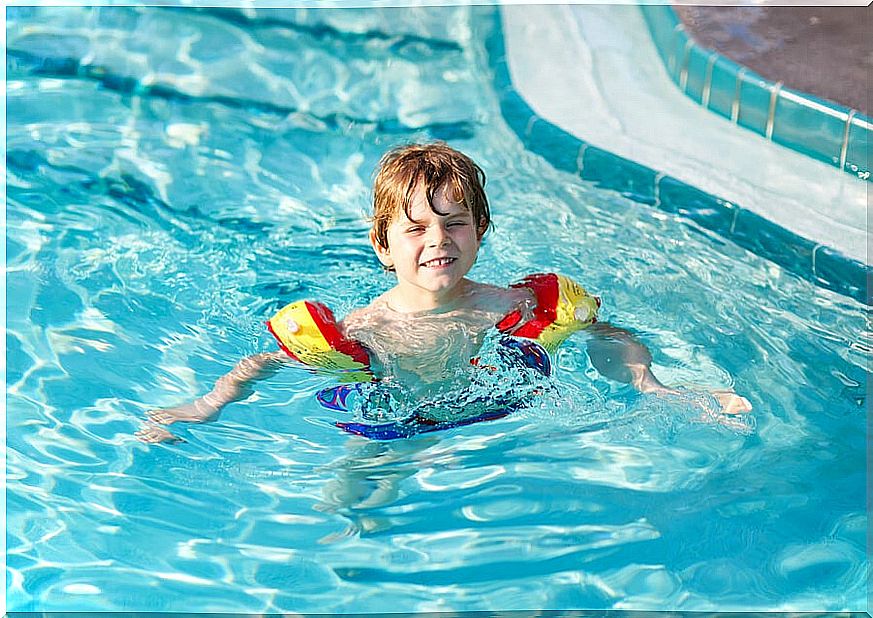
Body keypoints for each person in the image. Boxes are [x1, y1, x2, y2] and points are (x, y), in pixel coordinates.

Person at [136, 142, 750, 443]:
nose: (439, 240)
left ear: (480, 233)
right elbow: (265, 362)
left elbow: (607, 332)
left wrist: (651, 385)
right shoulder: (365, 329)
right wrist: (208, 405)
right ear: (382, 246)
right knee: (354, 499)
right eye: (416, 228)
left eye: (455, 223)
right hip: (397, 421)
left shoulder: (514, 306)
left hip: (509, 412)